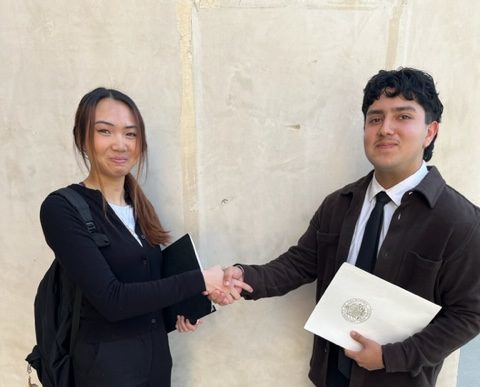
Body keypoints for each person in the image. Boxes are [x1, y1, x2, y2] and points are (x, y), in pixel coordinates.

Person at [211, 68, 480, 387]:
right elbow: (299, 263)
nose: (386, 129)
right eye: (375, 118)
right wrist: (246, 276)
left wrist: (390, 356)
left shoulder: (460, 221)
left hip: (398, 380)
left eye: (403, 116)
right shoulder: (339, 204)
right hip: (331, 375)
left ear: (430, 131)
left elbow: (469, 315)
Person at [39, 87, 251, 387]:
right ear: (83, 138)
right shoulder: (61, 208)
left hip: (155, 369)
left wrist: (183, 308)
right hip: (104, 375)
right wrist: (199, 280)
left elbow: (146, 289)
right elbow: (112, 300)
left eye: (130, 134)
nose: (120, 144)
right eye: (105, 131)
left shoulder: (138, 206)